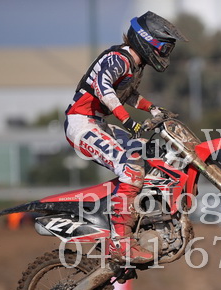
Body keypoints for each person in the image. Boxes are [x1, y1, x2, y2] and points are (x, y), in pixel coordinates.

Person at [64, 11, 187, 264]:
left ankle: (143, 217)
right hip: (81, 124)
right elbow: (103, 88)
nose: (166, 53)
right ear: (147, 40)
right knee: (130, 168)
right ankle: (120, 242)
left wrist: (153, 109)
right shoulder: (118, 58)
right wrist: (127, 120)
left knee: (151, 154)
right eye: (164, 47)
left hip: (97, 123)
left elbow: (127, 95)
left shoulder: (134, 64)